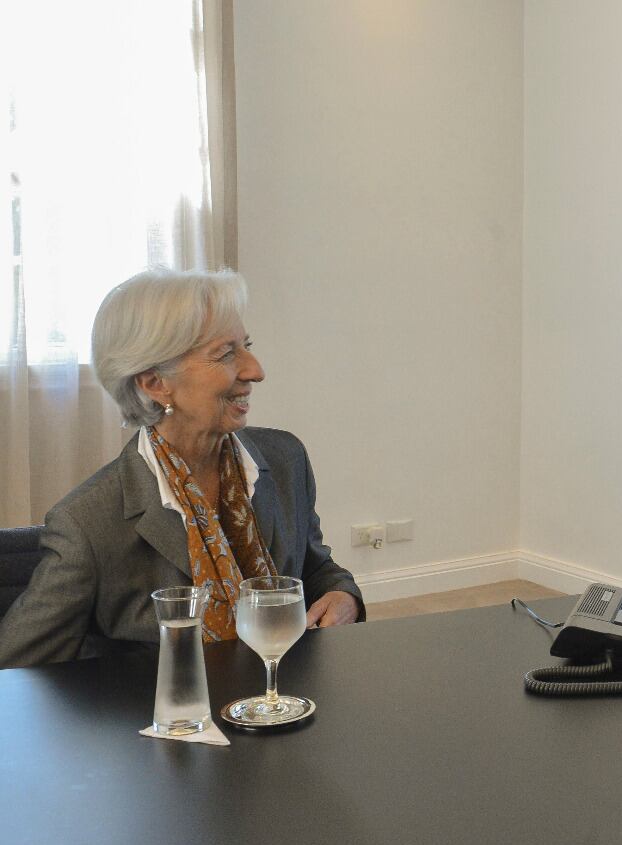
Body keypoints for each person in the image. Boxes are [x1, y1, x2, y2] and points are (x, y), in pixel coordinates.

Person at [0, 269, 363, 668]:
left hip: (285, 707)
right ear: (155, 383)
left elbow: (315, 569)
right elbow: (16, 669)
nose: (255, 369)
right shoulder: (88, 522)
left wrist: (342, 596)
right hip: (174, 724)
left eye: (247, 346)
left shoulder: (284, 457)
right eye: (226, 353)